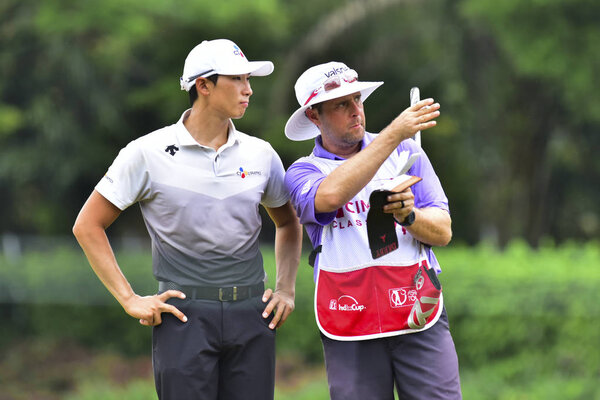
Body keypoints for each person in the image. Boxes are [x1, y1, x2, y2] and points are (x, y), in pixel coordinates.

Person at [72, 39, 302, 400]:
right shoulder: (146, 153)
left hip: (252, 315)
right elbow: (87, 225)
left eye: (249, 79)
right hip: (183, 318)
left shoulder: (262, 154)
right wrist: (130, 299)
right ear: (204, 86)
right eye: (238, 79)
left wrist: (287, 288)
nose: (249, 89)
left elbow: (288, 222)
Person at [283, 61, 462, 400]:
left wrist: (410, 216)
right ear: (314, 116)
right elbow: (332, 195)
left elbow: (443, 232)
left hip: (418, 308)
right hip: (348, 315)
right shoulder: (303, 171)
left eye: (358, 100)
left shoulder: (408, 152)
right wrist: (394, 133)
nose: (355, 111)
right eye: (341, 104)